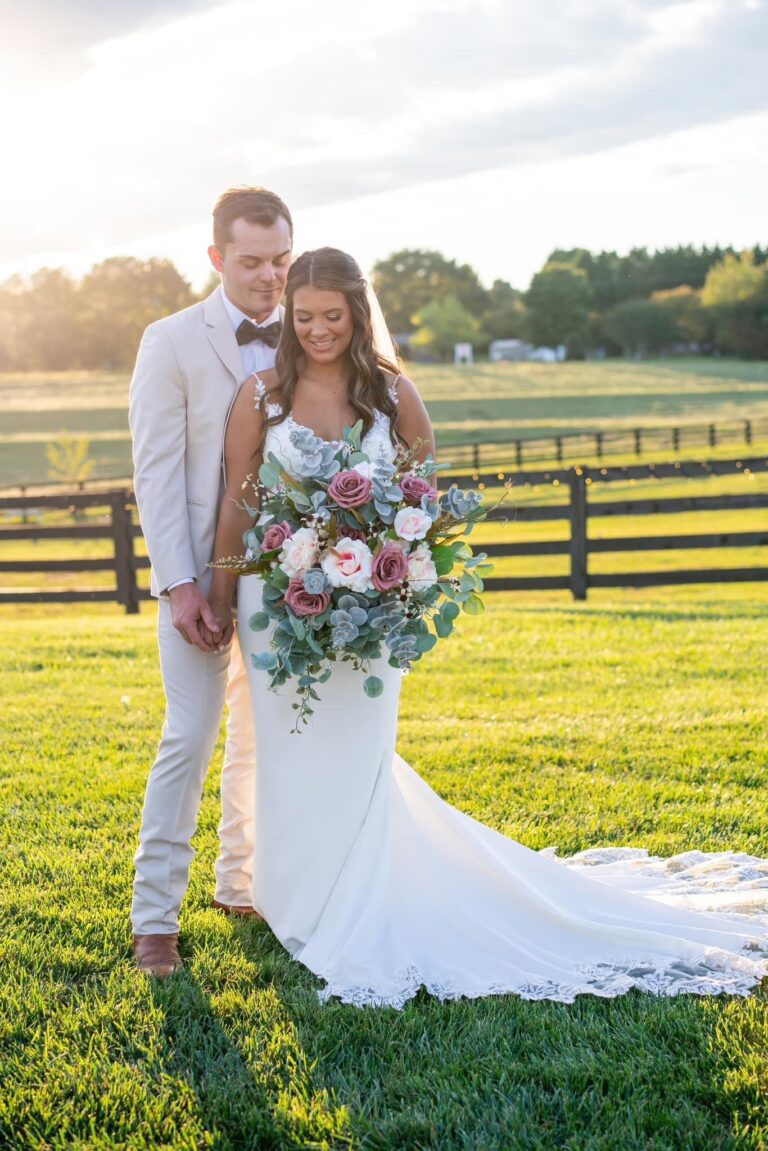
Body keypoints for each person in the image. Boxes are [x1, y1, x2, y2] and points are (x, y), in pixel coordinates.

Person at [209, 247, 768, 1008]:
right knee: (287, 756)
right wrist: (217, 591)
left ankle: (358, 901)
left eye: (332, 316)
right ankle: (294, 898)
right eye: (303, 317)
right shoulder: (261, 396)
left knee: (356, 755)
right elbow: (239, 504)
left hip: (370, 608)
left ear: (358, 312)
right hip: (276, 608)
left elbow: (420, 498)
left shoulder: (393, 394)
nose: (317, 330)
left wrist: (389, 560)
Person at [128, 186, 293, 977]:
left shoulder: (311, 334)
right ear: (217, 258)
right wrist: (179, 585)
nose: (271, 277)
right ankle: (153, 920)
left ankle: (241, 884)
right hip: (197, 577)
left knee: (262, 738)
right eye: (254, 261)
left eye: (282, 260)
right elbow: (156, 473)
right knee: (188, 739)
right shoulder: (168, 341)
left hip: (287, 579)